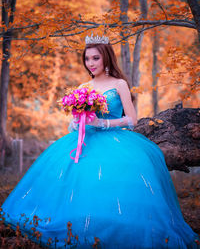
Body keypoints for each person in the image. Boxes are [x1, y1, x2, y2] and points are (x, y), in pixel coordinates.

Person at [1, 34, 199, 249]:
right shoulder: (84, 86)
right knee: (75, 181)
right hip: (85, 140)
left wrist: (103, 123)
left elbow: (132, 119)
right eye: (87, 59)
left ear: (105, 58)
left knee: (111, 184)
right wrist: (77, 123)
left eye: (95, 58)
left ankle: (114, 227)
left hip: (115, 140)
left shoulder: (119, 84)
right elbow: (74, 121)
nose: (91, 63)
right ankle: (76, 224)